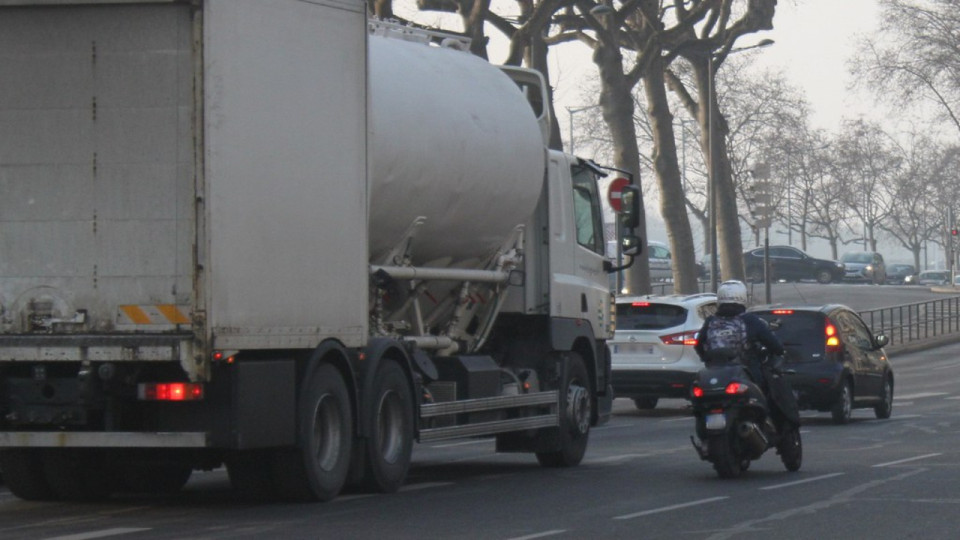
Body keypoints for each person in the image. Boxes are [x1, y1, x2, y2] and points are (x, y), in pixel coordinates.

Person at [694, 279, 797, 427]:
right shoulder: (750, 320)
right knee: (771, 393)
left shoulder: (711, 321)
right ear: (742, 298)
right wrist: (779, 351)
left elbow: (699, 345)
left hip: (714, 375)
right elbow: (772, 343)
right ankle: (770, 424)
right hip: (746, 374)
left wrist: (709, 361)